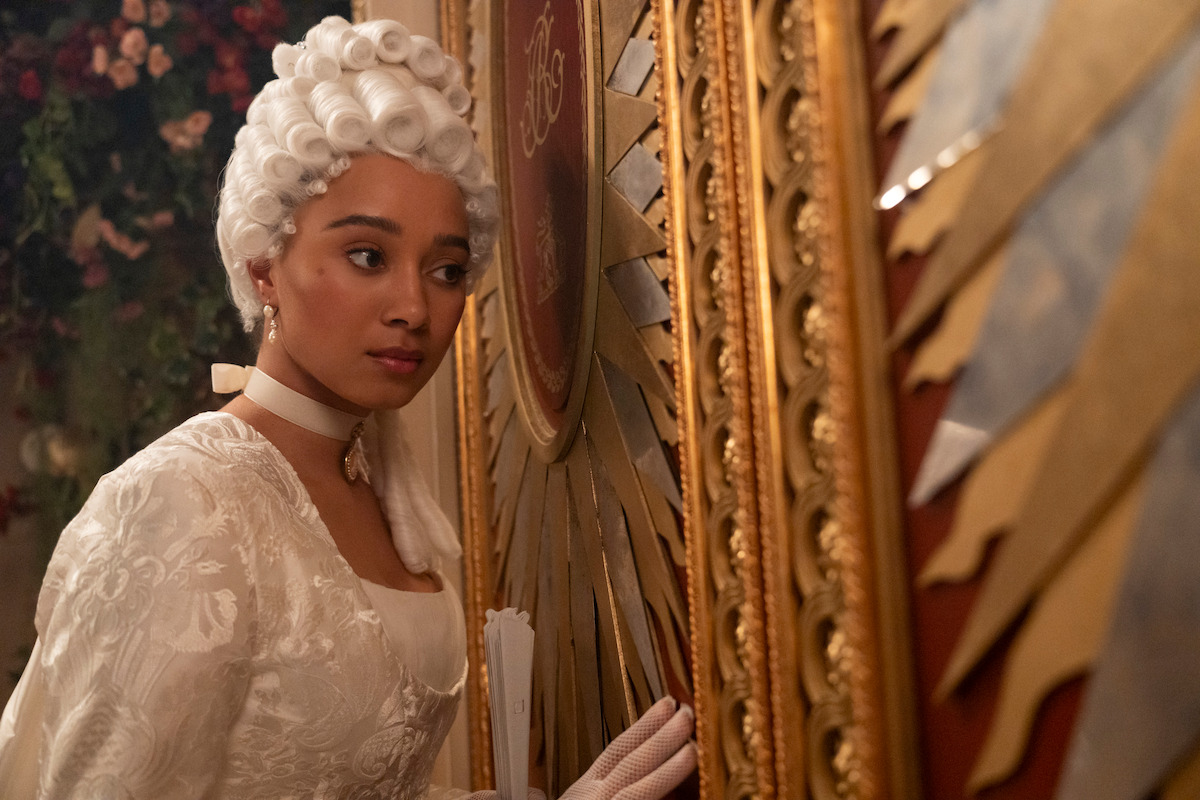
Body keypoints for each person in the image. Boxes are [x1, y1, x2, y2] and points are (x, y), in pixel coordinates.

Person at [0, 15, 696, 799]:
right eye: (367, 255)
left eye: (446, 269)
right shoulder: (180, 504)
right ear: (265, 269)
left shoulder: (383, 487)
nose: (414, 306)